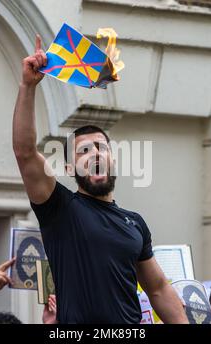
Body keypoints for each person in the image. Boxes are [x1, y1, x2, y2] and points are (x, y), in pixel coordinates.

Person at [12, 34, 188, 325]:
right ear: (70, 167)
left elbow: (157, 289)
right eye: (83, 150)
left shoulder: (135, 223)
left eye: (101, 148)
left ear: (113, 158)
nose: (95, 154)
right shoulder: (60, 209)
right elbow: (25, 152)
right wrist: (27, 86)